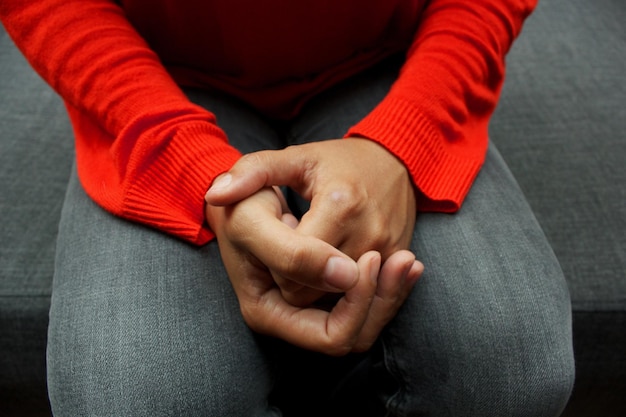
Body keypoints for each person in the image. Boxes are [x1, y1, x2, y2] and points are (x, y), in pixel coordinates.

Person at [0, 0, 575, 415]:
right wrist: (192, 165)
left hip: (392, 63)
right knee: (139, 397)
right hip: (152, 74)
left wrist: (404, 138)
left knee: (511, 373)